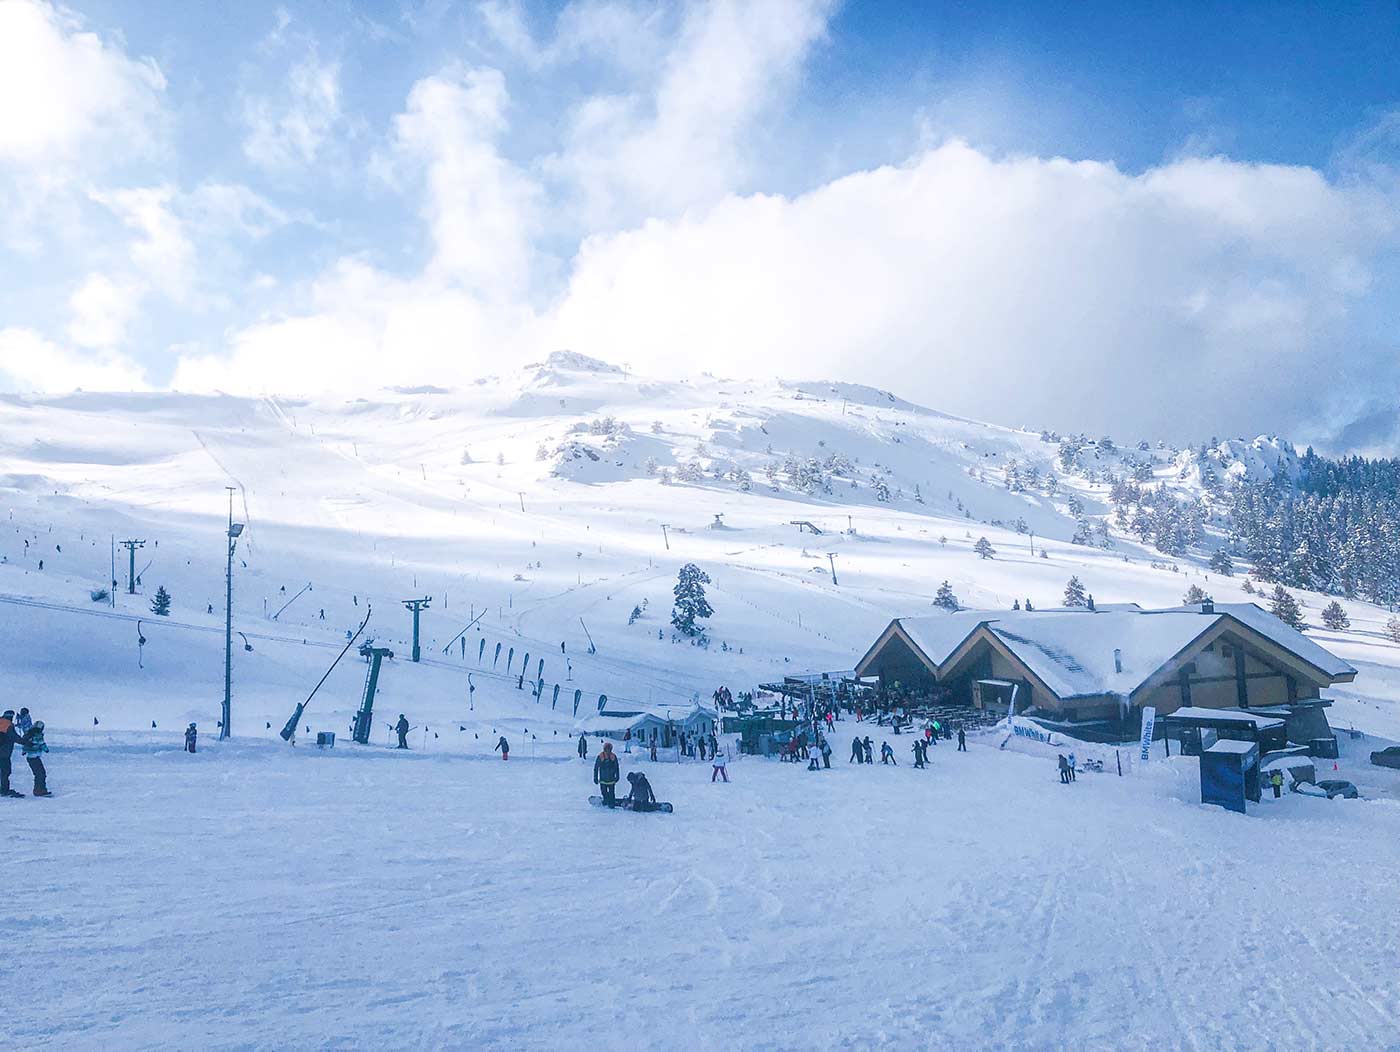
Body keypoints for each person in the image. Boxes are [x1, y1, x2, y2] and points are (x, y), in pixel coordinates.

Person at [22, 720, 49, 796]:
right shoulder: (38, 735)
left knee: (39, 773)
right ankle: (39, 790)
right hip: (35, 757)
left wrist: (24, 751)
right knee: (41, 773)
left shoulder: (29, 733)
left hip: (30, 757)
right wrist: (46, 749)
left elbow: (25, 744)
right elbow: (42, 744)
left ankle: (40, 789)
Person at [0, 710, 22, 797]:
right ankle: (4, 789)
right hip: (4, 753)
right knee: (5, 771)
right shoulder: (8, 724)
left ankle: (3, 788)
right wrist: (25, 741)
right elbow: (14, 737)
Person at [594, 741, 621, 806]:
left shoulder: (613, 756)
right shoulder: (600, 756)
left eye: (609, 749)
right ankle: (606, 800)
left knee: (612, 793)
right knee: (604, 792)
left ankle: (611, 802)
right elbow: (596, 767)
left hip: (611, 780)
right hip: (603, 780)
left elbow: (617, 767)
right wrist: (595, 777)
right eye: (607, 749)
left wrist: (617, 776)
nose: (608, 750)